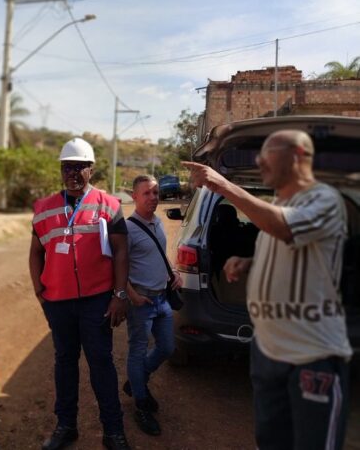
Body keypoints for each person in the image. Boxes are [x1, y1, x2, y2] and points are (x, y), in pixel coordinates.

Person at [185, 129, 352, 450]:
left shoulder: (324, 199)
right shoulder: (279, 204)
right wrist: (248, 262)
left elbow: (284, 227)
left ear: (300, 156)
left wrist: (222, 184)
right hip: (268, 349)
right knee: (270, 440)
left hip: (310, 355)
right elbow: (284, 247)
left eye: (269, 151)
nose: (260, 159)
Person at [29, 137, 131, 450]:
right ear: (61, 170)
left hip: (97, 299)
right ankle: (66, 425)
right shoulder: (44, 208)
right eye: (67, 167)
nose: (73, 172)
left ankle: (113, 431)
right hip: (58, 302)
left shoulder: (108, 205)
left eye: (79, 167)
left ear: (91, 169)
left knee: (101, 362)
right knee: (64, 363)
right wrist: (39, 292)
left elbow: (121, 252)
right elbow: (36, 253)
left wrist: (119, 295)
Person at [124, 175, 183, 436]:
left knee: (167, 346)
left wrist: (173, 272)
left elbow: (160, 254)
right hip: (141, 301)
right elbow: (116, 269)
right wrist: (131, 295)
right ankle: (141, 404)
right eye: (146, 193)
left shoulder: (158, 222)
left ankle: (137, 380)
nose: (153, 197)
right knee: (137, 351)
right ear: (134, 197)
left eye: (156, 192)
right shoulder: (128, 229)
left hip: (162, 298)